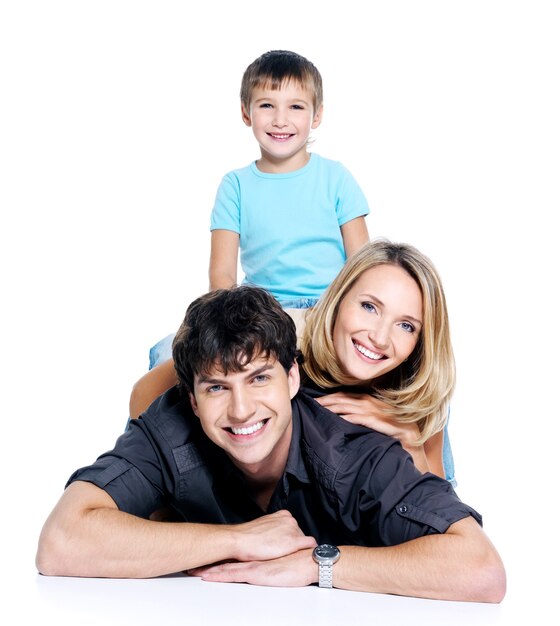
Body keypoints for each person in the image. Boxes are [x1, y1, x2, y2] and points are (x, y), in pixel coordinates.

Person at [36, 286, 505, 602]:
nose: (241, 410)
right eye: (217, 387)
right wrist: (239, 540)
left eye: (260, 378)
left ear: (293, 377)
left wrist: (319, 564)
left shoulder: (355, 451)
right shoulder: (169, 425)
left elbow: (481, 568)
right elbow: (61, 541)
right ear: (192, 399)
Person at [129, 240, 456, 483]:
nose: (380, 337)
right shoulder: (287, 339)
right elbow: (145, 392)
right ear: (339, 299)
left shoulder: (417, 392)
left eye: (406, 325)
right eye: (369, 307)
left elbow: (441, 513)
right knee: (172, 352)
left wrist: (410, 440)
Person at [148, 49, 370, 367]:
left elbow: (363, 264)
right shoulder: (235, 185)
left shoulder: (335, 178)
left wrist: (348, 316)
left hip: (328, 309)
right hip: (259, 310)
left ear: (316, 115)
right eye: (267, 105)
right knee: (165, 352)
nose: (280, 120)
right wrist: (227, 324)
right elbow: (222, 275)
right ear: (246, 112)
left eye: (296, 107)